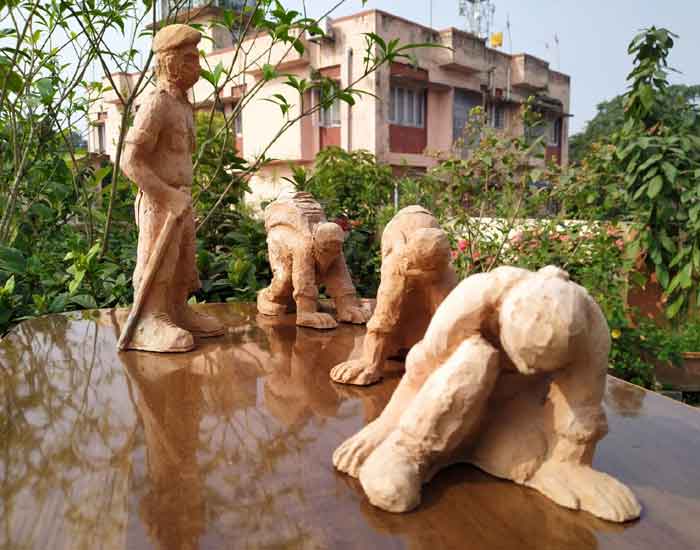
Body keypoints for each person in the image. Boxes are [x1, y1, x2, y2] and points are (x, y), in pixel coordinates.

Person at [333, 266, 641, 523]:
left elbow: (582, 406)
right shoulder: (476, 296)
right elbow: (420, 371)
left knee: (526, 457)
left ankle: (520, 459)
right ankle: (408, 453)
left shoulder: (590, 328)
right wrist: (386, 427)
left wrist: (572, 464)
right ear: (504, 315)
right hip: (445, 404)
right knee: (475, 356)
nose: (527, 367)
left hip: (514, 408)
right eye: (523, 359)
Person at [121, 24, 224, 352]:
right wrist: (166, 196)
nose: (198, 66)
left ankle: (177, 310)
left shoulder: (182, 105)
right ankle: (149, 321)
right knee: (158, 262)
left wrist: (180, 198)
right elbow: (130, 161)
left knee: (182, 262)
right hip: (159, 201)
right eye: (190, 59)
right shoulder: (157, 103)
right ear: (169, 62)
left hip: (181, 199)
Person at [331, 206, 457, 385]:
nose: (426, 276)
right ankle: (392, 346)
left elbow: (447, 319)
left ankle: (415, 344)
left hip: (426, 254)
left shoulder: (444, 271)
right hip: (405, 257)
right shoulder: (398, 263)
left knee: (443, 307)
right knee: (394, 298)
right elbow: (384, 316)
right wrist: (370, 362)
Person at [257, 191, 370, 330]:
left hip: (302, 238)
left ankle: (294, 303)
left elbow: (341, 277)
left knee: (318, 267)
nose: (331, 255)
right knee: (285, 279)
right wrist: (307, 312)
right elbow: (303, 280)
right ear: (317, 242)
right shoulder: (304, 246)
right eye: (326, 250)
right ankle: (267, 298)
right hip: (281, 241)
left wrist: (348, 306)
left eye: (336, 250)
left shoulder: (333, 245)